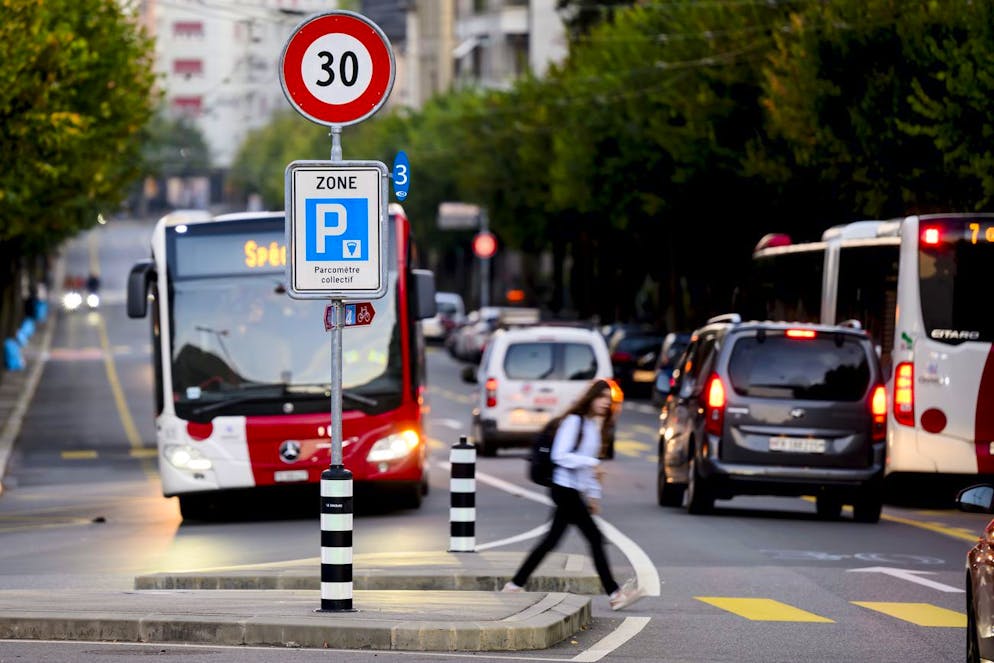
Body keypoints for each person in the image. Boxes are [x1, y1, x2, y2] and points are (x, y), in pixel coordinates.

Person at [502, 378, 647, 611]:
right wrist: (591, 463)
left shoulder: (593, 427)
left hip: (573, 491)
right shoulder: (574, 422)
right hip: (563, 488)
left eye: (609, 401)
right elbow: (560, 455)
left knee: (551, 540)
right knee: (594, 538)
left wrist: (593, 496)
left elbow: (589, 469)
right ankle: (615, 593)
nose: (604, 404)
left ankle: (514, 584)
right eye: (601, 398)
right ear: (591, 398)